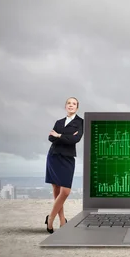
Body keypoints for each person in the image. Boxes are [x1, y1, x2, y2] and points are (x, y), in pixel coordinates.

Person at [44, 97, 83, 233]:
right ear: (65, 106)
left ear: (77, 108)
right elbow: (50, 138)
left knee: (65, 191)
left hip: (67, 158)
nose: (71, 105)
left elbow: (75, 139)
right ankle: (62, 221)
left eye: (74, 104)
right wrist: (66, 136)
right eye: (69, 103)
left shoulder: (80, 122)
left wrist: (59, 135)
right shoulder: (59, 122)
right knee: (56, 190)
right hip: (53, 156)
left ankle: (50, 218)